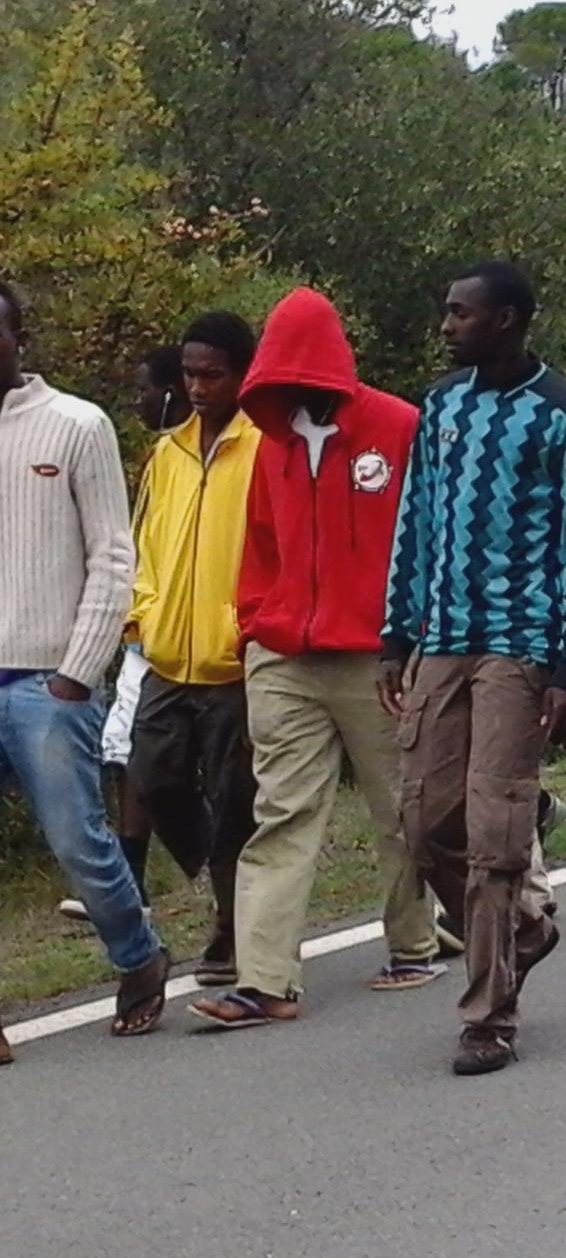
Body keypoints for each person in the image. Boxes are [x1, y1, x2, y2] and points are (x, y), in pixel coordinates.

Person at [187, 289, 444, 1029]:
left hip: (378, 658)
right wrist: (255, 627)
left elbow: (427, 536)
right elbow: (260, 547)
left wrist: (414, 634)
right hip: (286, 655)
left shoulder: (399, 427)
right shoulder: (272, 444)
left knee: (401, 809)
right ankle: (265, 980)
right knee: (282, 814)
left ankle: (414, 943)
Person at [379, 261, 566, 1076]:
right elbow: (415, 519)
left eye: (461, 313)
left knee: (493, 832)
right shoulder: (441, 406)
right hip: (442, 638)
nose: (448, 326)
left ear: (507, 319)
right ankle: (521, 934)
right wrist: (396, 633)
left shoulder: (563, 415)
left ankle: (488, 1015)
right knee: (422, 818)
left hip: (521, 648)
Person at [0, 278, 169, 1042]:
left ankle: (137, 955)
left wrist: (80, 668)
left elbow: (113, 553)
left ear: (20, 339)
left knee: (77, 839)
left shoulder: (75, 424)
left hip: (48, 677)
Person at [125, 310, 260, 988]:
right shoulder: (168, 452)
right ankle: (228, 889)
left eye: (213, 374)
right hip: (166, 654)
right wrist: (142, 615)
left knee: (236, 798)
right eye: (190, 374)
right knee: (153, 776)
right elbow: (144, 542)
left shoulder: (263, 447)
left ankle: (234, 928)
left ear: (242, 374)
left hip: (234, 657)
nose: (199, 387)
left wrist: (248, 623)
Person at [56, 345, 191, 924]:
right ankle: (128, 882)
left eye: (146, 389)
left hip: (195, 635)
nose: (139, 400)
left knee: (156, 763)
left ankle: (210, 876)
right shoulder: (161, 456)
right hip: (147, 632)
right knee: (124, 753)